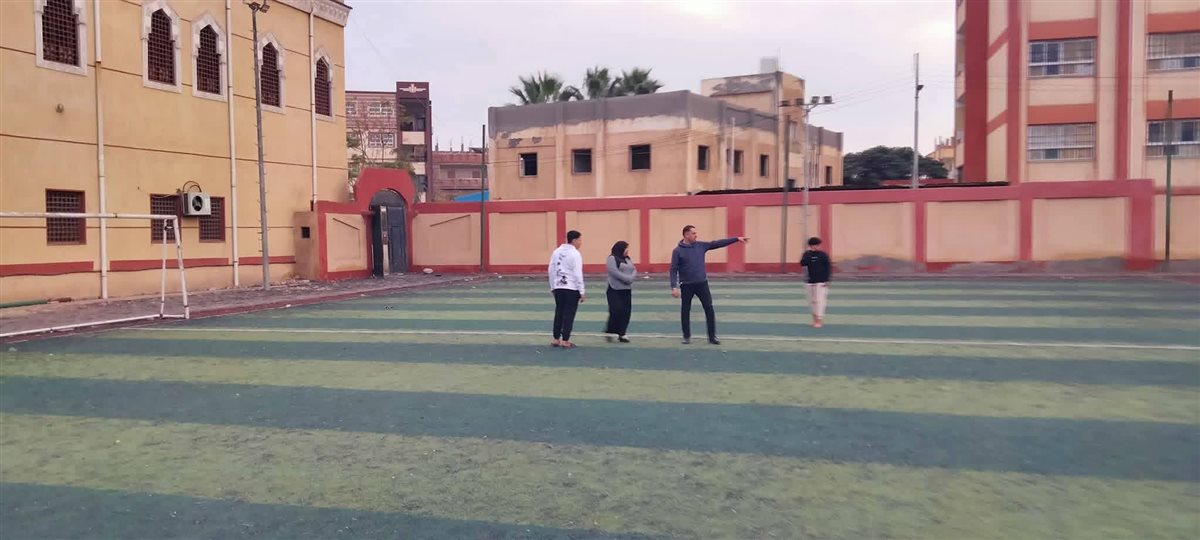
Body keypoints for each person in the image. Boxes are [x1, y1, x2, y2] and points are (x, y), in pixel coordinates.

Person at [669, 225, 749, 345]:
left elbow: (717, 243)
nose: (696, 235)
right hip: (686, 285)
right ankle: (686, 336)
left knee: (709, 308)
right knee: (685, 310)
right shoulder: (677, 251)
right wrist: (674, 286)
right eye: (693, 233)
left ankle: (712, 337)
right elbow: (673, 269)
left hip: (702, 283)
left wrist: (736, 239)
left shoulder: (701, 246)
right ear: (686, 235)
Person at [548, 230, 585, 348]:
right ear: (574, 240)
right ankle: (565, 340)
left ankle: (556, 338)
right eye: (579, 240)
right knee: (569, 314)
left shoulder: (556, 252)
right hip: (571, 287)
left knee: (559, 312)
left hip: (558, 286)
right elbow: (577, 273)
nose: (580, 242)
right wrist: (582, 290)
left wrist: (553, 286)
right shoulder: (575, 254)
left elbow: (551, 269)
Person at [604, 240, 636, 343]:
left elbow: (634, 269)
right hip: (614, 289)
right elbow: (614, 271)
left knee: (626, 312)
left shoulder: (627, 259)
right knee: (616, 310)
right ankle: (610, 330)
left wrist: (631, 278)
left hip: (626, 290)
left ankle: (622, 333)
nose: (627, 250)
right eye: (626, 248)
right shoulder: (612, 258)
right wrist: (627, 279)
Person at [800, 236, 831, 328]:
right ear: (812, 246)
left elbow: (828, 267)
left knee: (819, 300)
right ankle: (814, 319)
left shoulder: (823, 255)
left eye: (819, 245)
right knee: (812, 301)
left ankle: (819, 320)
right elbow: (802, 263)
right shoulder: (807, 254)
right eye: (817, 245)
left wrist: (827, 279)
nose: (819, 246)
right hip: (809, 281)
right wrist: (806, 256)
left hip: (821, 281)